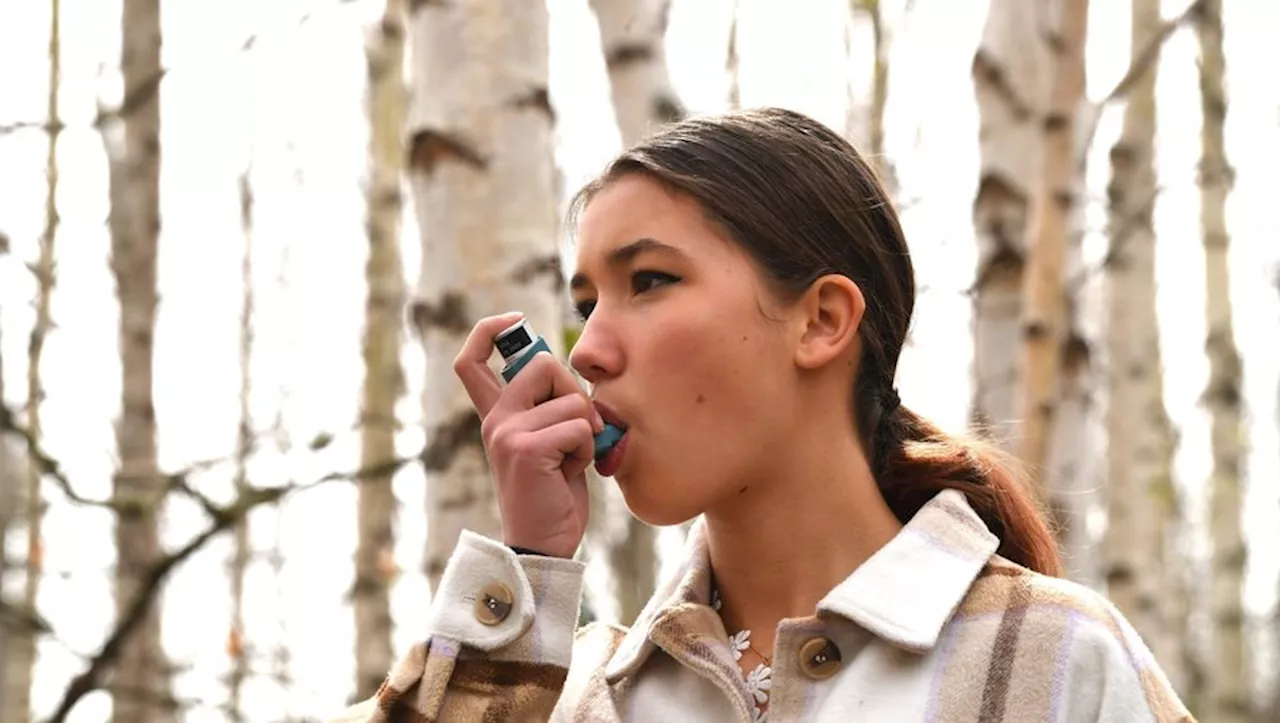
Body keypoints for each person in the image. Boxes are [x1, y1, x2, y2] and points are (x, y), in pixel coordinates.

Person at [332, 107, 1192, 722]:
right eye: (586, 301)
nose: (586, 349)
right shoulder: (570, 693)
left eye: (650, 281)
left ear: (822, 320)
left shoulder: (1057, 658)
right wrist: (524, 571)